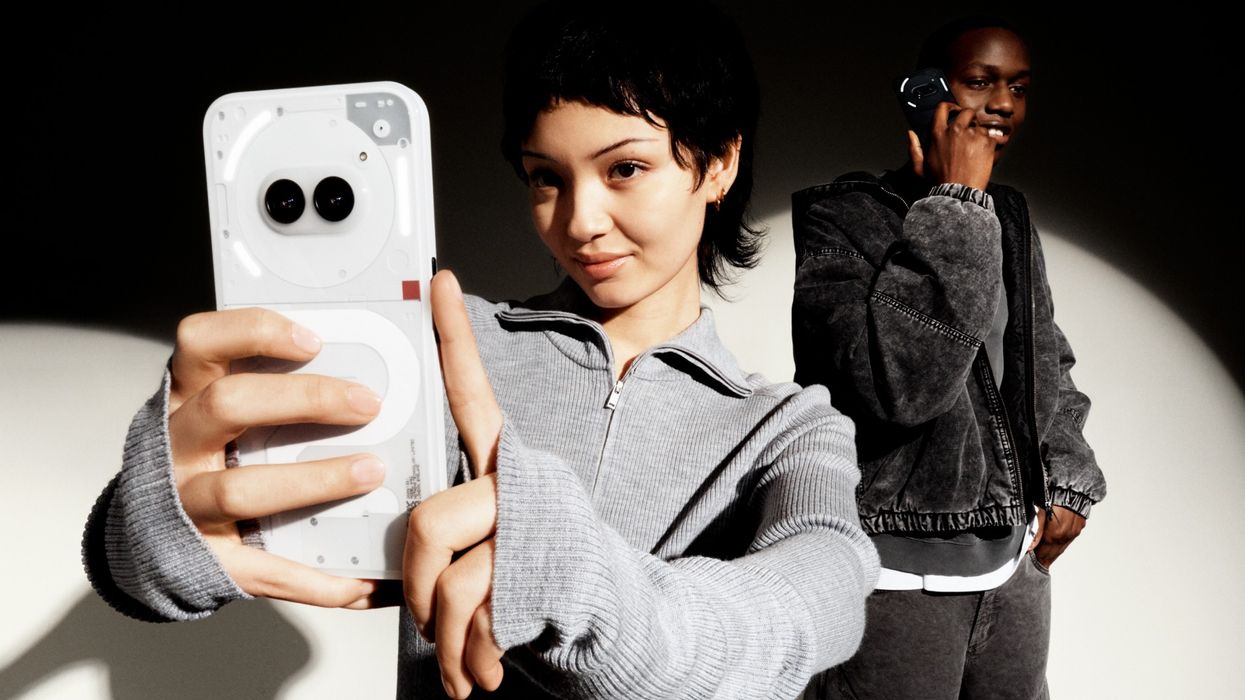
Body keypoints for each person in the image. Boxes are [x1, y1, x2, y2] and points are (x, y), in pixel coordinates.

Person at [82, 3, 878, 698]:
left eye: (624, 168)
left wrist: (577, 580)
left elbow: (808, 612)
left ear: (719, 162)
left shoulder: (790, 428)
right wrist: (154, 526)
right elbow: (141, 559)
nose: (579, 222)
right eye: (545, 178)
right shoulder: (438, 345)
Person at [790, 17, 1106, 699]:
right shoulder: (842, 220)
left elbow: (1043, 360)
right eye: (978, 81)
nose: (1001, 104)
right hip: (893, 571)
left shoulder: (1010, 218)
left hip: (1010, 568)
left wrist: (1067, 480)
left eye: (1017, 87)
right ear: (922, 92)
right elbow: (900, 386)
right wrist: (956, 201)